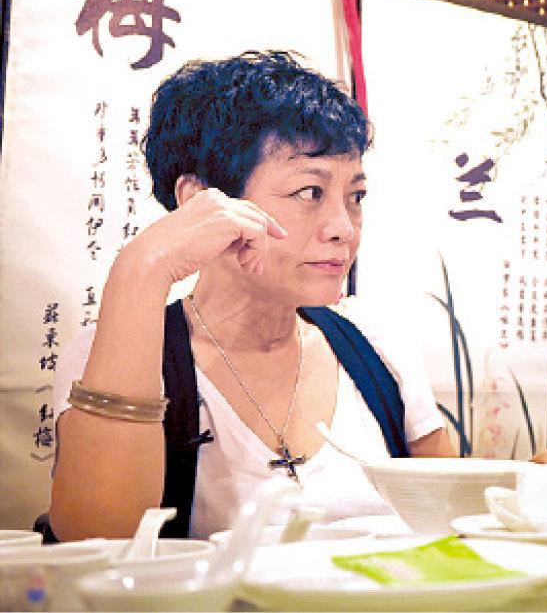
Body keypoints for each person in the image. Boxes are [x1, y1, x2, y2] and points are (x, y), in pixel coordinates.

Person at [48, 51, 454, 541]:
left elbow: (451, 519)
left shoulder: (376, 345)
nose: (344, 229)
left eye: (355, 197)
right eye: (310, 192)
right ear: (200, 202)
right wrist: (143, 269)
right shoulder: (110, 356)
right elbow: (99, 540)